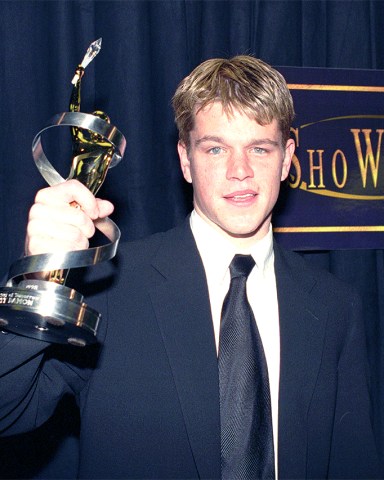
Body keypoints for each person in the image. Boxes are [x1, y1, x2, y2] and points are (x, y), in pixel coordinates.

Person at [0, 56, 381, 479]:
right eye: (216, 148)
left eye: (259, 148)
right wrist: (38, 279)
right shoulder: (109, 289)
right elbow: (7, 412)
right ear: (186, 159)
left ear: (287, 157)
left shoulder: (334, 307)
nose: (240, 171)